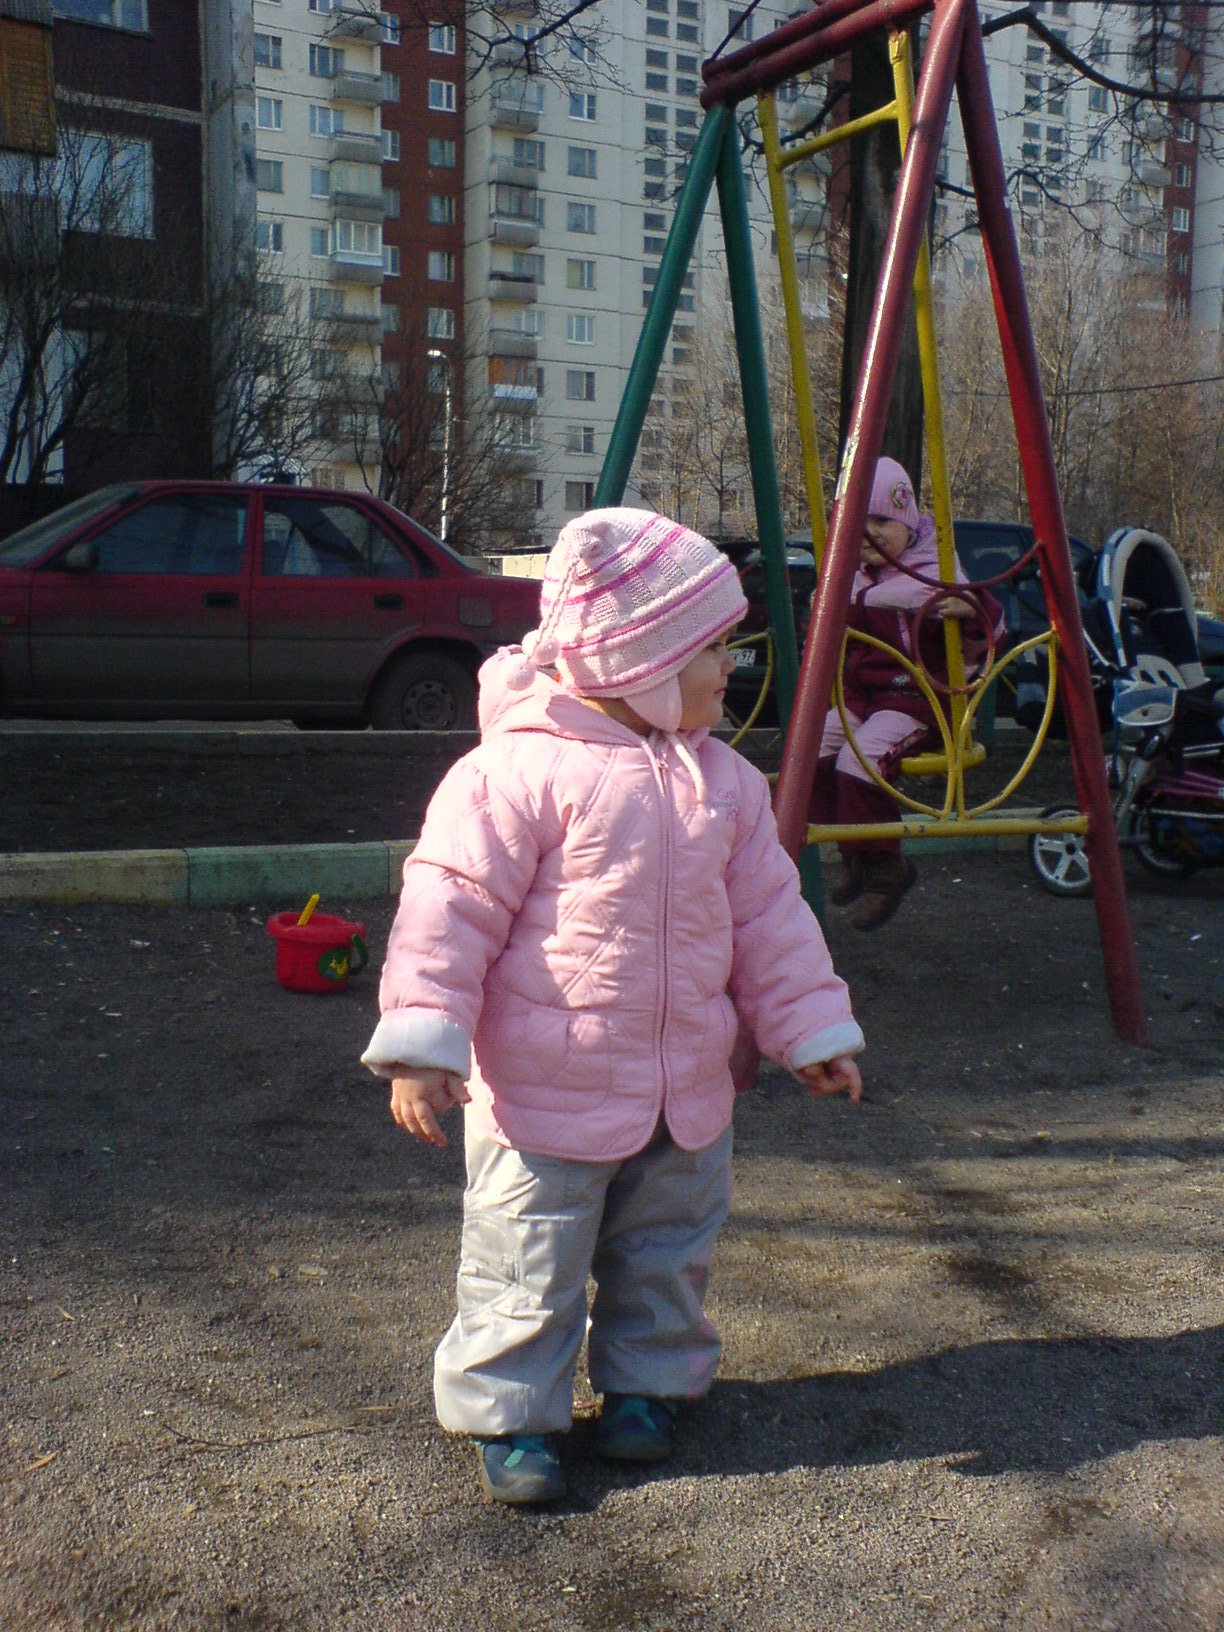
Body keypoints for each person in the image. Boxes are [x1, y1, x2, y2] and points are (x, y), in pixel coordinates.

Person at [361, 508, 865, 1507]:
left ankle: (648, 1386)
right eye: (713, 648)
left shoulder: (725, 785)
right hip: (547, 1092)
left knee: (667, 1252)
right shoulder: (516, 772)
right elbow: (449, 906)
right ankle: (513, 1411)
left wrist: (806, 1028)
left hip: (686, 1086)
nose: (731, 668)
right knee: (527, 1256)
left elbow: (770, 916)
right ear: (643, 660)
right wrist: (425, 1042)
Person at [809, 457, 1005, 931]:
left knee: (860, 761)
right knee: (812, 748)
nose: (870, 535)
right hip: (864, 697)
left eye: (882, 522)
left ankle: (885, 870)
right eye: (860, 525)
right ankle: (853, 852)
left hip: (918, 700)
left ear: (908, 524)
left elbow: (989, 629)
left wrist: (973, 612)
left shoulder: (934, 573)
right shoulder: (854, 575)